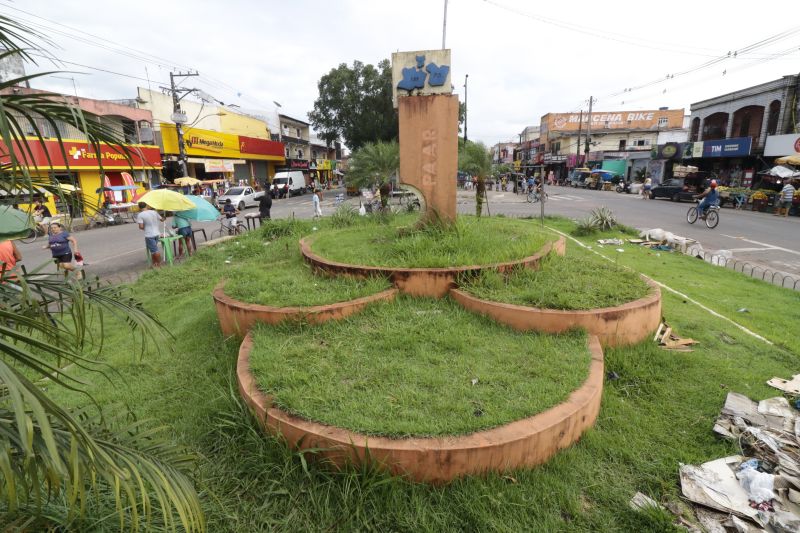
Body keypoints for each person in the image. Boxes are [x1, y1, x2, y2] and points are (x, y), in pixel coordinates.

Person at [136, 201, 164, 267]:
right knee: (153, 250)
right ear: (146, 206)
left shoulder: (140, 215)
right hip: (157, 234)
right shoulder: (154, 212)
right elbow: (162, 219)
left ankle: (159, 265)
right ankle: (154, 264)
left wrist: (145, 228)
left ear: (139, 207)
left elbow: (141, 227)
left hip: (149, 235)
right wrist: (164, 217)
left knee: (155, 251)